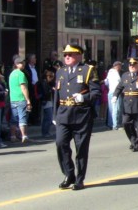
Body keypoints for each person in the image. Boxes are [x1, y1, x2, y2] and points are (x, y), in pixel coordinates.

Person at [53, 44, 100, 190]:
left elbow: (96, 92)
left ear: (79, 55)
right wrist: (55, 114)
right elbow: (56, 94)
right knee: (60, 144)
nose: (67, 57)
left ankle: (79, 179)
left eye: (71, 54)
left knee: (81, 149)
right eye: (65, 54)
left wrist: (84, 98)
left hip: (81, 115)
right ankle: (69, 174)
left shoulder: (88, 70)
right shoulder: (60, 71)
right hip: (63, 114)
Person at [113, 57, 138, 152]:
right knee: (126, 123)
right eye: (130, 64)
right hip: (127, 105)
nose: (132, 66)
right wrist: (115, 96)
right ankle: (133, 140)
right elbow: (119, 87)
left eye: (134, 65)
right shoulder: (125, 75)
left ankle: (137, 144)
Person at [8, 56, 31, 143]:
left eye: (23, 62)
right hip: (21, 98)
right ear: (16, 64)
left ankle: (13, 136)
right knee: (22, 117)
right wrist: (28, 100)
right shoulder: (21, 74)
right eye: (21, 63)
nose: (23, 64)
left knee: (14, 118)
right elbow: (23, 88)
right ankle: (24, 135)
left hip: (13, 98)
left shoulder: (12, 73)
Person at [105, 61, 123, 130]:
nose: (121, 68)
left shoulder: (109, 73)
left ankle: (110, 123)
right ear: (117, 66)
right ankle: (115, 125)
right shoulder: (115, 73)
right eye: (120, 66)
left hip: (110, 92)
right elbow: (119, 84)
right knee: (116, 108)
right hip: (116, 92)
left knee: (111, 109)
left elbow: (106, 82)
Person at [25, 53, 41, 125]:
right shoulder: (26, 68)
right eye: (34, 58)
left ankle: (35, 119)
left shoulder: (36, 68)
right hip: (30, 88)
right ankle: (30, 120)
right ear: (30, 59)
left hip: (36, 87)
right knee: (30, 104)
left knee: (36, 104)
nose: (35, 59)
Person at [40, 70, 56, 138]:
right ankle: (45, 132)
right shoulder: (44, 83)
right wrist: (51, 89)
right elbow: (46, 92)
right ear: (48, 77)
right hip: (46, 101)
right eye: (51, 77)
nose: (52, 79)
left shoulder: (48, 83)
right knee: (48, 118)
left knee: (47, 118)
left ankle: (46, 131)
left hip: (48, 101)